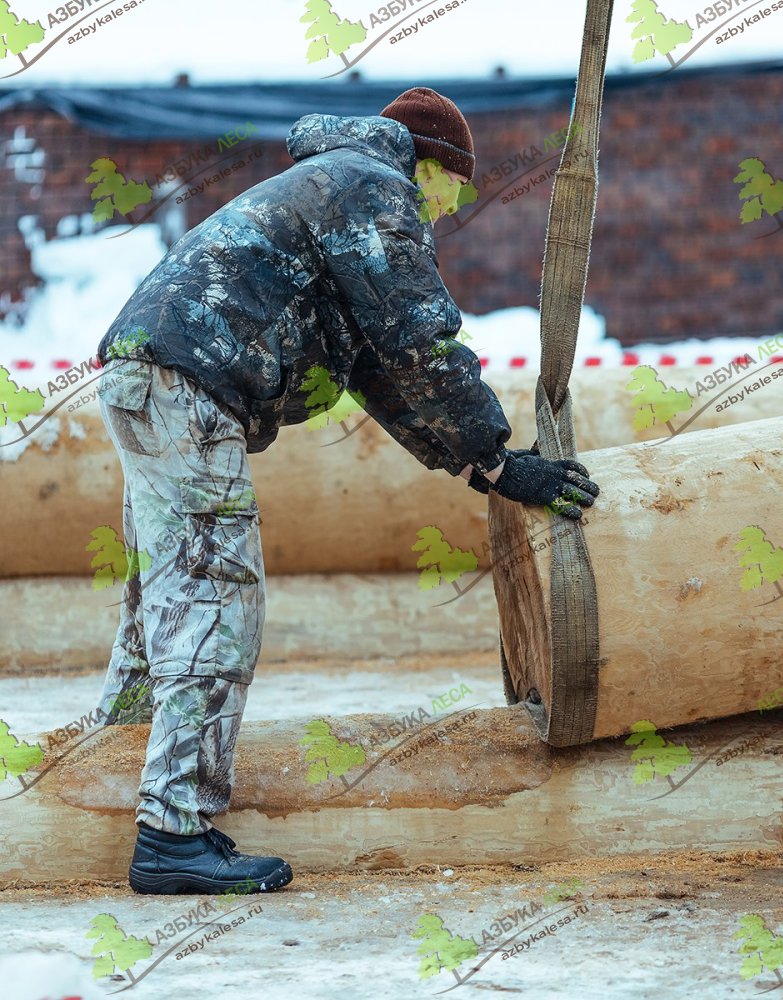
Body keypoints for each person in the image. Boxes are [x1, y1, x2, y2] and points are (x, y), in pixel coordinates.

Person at [92, 87, 599, 895]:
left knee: (159, 595)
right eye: (453, 188)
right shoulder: (374, 184)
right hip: (189, 384)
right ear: (431, 164)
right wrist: (503, 457)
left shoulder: (335, 186)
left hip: (152, 372)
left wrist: (480, 466)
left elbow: (379, 372)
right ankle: (173, 833)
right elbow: (420, 341)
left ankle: (101, 768)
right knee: (216, 600)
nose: (451, 207)